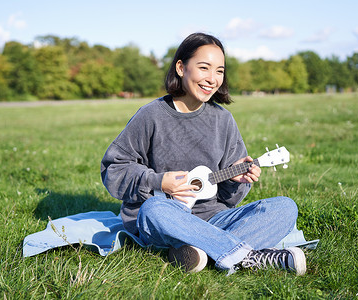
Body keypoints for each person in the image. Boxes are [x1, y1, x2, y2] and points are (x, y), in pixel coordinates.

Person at [101, 32, 306, 275]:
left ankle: (197, 252)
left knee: (285, 208)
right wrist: (158, 181)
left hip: (212, 219)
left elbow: (230, 201)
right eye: (204, 68)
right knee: (154, 209)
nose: (212, 78)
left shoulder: (223, 120)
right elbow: (113, 168)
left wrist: (234, 181)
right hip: (166, 220)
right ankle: (248, 256)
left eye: (219, 71)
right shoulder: (151, 115)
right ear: (181, 67)